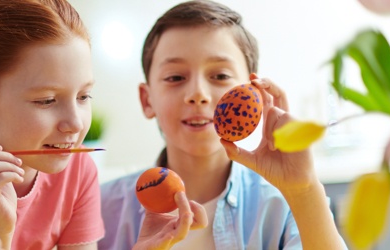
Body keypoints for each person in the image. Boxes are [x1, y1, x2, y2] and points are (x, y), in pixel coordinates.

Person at [0, 0, 207, 249]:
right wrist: (0, 233)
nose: (74, 124)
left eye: (84, 96)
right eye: (46, 100)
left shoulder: (77, 171)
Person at [99, 1, 347, 249]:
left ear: (256, 93)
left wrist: (303, 191)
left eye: (220, 76)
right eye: (175, 77)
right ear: (147, 100)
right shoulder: (100, 207)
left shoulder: (285, 203)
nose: (198, 94)